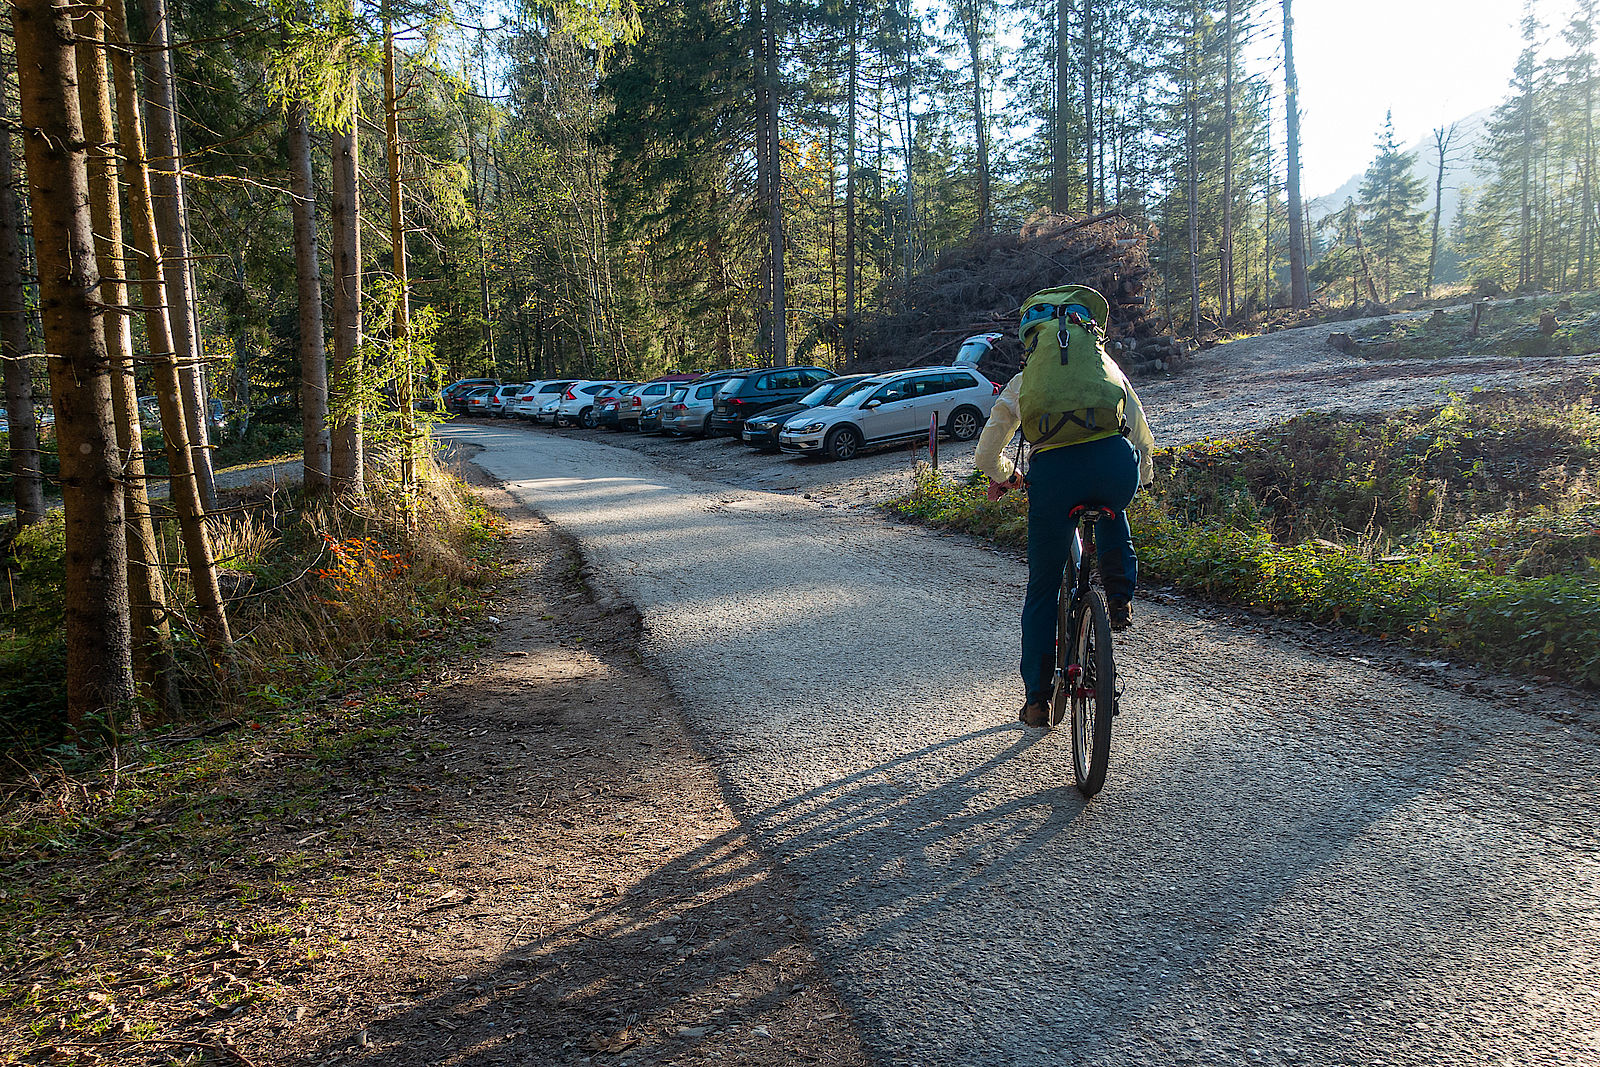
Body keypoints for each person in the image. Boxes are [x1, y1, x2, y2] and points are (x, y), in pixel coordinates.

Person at [973, 285, 1155, 729]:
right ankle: (1118, 595)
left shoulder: (1025, 380)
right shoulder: (1105, 367)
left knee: (1042, 587)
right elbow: (1140, 432)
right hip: (1112, 468)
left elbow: (985, 454)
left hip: (1053, 478)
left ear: (1030, 339)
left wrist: (1005, 476)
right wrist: (1141, 477)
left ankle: (1037, 698)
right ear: (1090, 329)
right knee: (1114, 504)